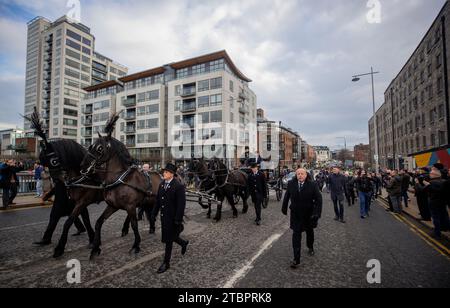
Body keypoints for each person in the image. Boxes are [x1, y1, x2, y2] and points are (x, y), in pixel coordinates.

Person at [282, 168, 322, 269]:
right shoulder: (291, 183)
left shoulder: (313, 184)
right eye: (298, 174)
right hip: (296, 214)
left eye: (302, 174)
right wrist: (284, 207)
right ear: (296, 175)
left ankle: (310, 246)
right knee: (296, 235)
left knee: (309, 232)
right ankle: (296, 259)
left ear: (305, 175)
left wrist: (316, 213)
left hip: (309, 214)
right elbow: (287, 196)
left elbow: (318, 200)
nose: (300, 175)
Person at [152, 163, 189, 274]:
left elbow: (181, 205)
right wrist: (153, 214)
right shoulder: (162, 184)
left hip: (173, 219)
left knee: (168, 240)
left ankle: (166, 263)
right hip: (165, 218)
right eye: (164, 172)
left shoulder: (178, 186)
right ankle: (183, 243)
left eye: (166, 172)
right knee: (171, 237)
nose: (164, 173)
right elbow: (158, 201)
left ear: (172, 174)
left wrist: (178, 219)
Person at [417, 169, 450, 239]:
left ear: (434, 175)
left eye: (431, 174)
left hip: (434, 202)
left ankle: (437, 233)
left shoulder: (432, 183)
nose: (429, 175)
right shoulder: (444, 181)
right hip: (443, 202)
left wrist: (418, 183)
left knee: (436, 217)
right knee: (444, 215)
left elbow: (422, 190)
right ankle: (446, 228)